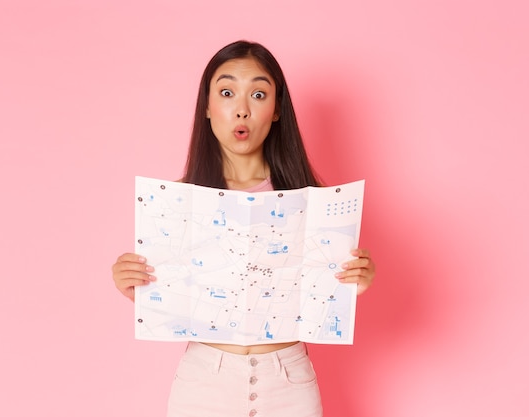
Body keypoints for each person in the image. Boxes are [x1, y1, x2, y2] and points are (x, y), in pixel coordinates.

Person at [112, 40, 375, 417]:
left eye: (258, 93)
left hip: (289, 382)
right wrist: (135, 283)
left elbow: (325, 293)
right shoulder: (176, 202)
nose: (242, 109)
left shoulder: (314, 202)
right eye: (226, 92)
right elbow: (173, 298)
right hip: (204, 382)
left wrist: (356, 279)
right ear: (207, 106)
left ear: (277, 109)